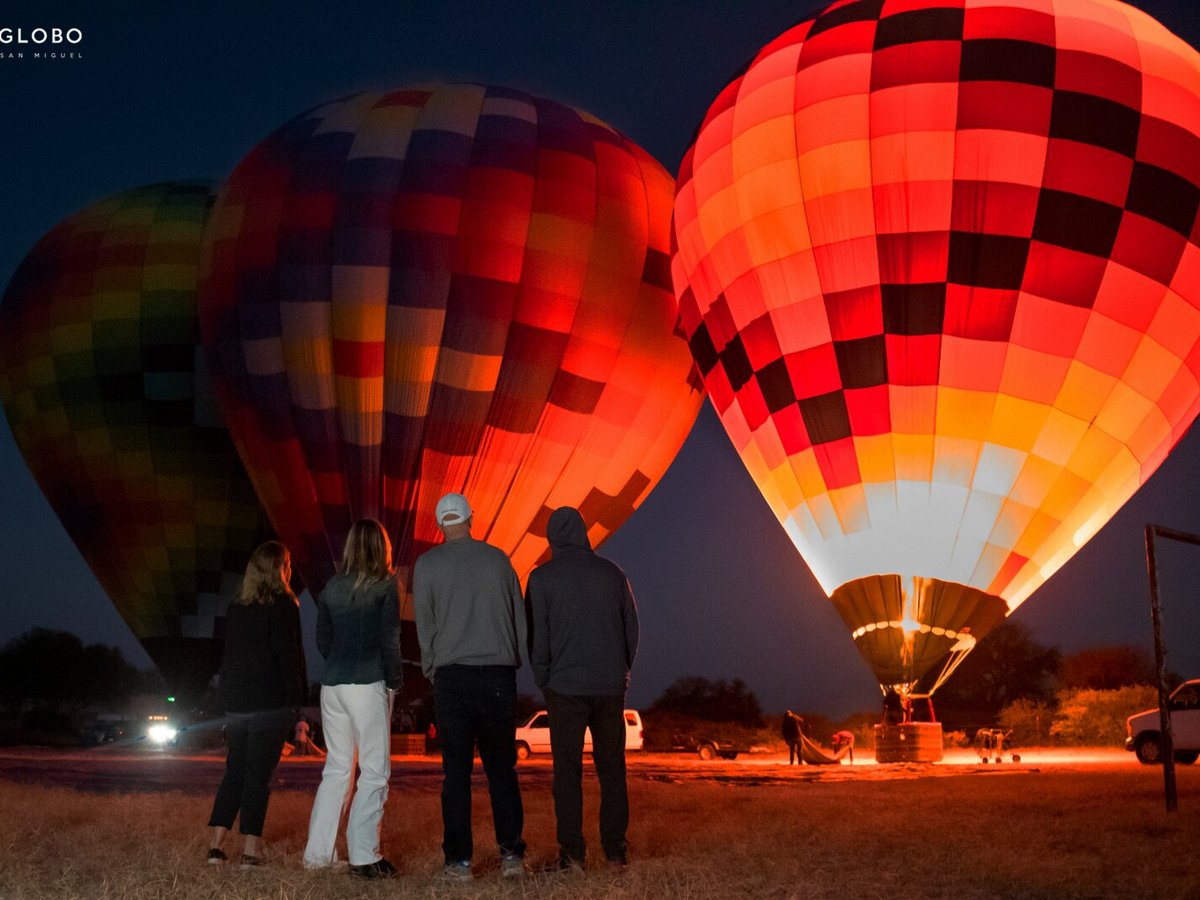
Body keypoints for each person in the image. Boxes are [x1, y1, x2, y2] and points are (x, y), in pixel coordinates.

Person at [413, 492, 528, 881]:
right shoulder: (498, 559)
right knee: (502, 770)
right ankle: (512, 857)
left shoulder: (427, 565)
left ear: (439, 523)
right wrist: (513, 659)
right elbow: (517, 615)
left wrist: (433, 668)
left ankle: (458, 863)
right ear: (471, 518)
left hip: (452, 677)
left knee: (456, 774)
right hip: (497, 673)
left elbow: (425, 625)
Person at [527, 506, 639, 871]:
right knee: (612, 770)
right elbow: (631, 630)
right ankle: (615, 851)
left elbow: (537, 638)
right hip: (609, 688)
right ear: (584, 532)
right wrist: (620, 671)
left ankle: (573, 854)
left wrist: (544, 678)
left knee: (567, 773)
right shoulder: (613, 573)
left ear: (552, 537)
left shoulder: (541, 579)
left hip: (565, 688)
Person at [303, 519, 403, 879]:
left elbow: (322, 639)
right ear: (382, 547)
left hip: (332, 686)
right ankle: (364, 855)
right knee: (375, 770)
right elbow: (390, 640)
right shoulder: (386, 584)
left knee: (338, 770)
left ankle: (318, 855)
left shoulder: (332, 586)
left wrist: (337, 663)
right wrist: (394, 682)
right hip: (367, 682)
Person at [206, 541, 307, 868]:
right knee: (258, 777)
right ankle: (252, 849)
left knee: (234, 772)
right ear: (281, 568)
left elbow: (228, 657)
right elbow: (288, 656)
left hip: (236, 703)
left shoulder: (237, 606)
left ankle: (216, 848)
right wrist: (297, 705)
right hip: (270, 703)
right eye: (287, 563)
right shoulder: (284, 605)